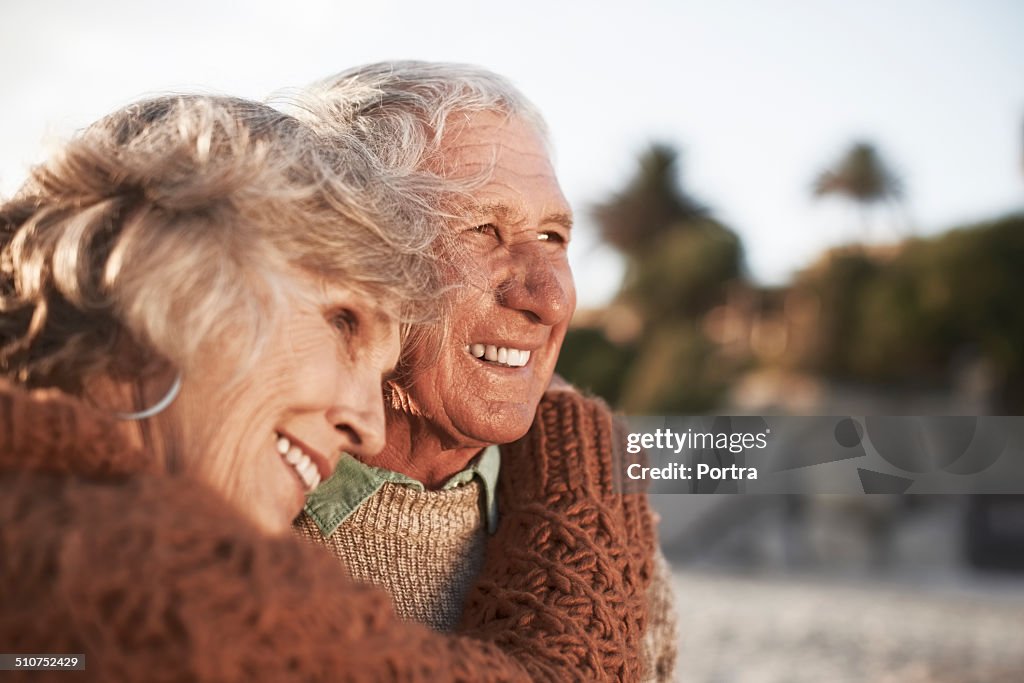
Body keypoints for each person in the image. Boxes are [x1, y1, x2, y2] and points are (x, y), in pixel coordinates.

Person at [0, 94, 653, 680]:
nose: (365, 422)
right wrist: (584, 457)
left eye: (554, 236)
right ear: (168, 278)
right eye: (343, 320)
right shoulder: (109, 559)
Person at [291, 61, 678, 681]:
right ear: (345, 260)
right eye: (483, 230)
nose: (549, 299)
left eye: (553, 237)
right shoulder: (229, 517)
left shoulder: (613, 530)